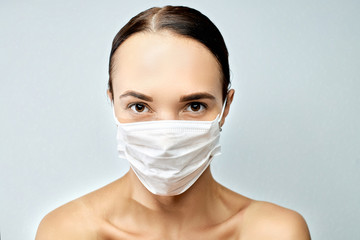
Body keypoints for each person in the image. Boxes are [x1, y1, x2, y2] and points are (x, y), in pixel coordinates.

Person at [36, 5, 311, 239]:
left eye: (194, 106)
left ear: (225, 108)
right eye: (139, 106)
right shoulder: (67, 231)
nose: (166, 139)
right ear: (112, 103)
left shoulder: (276, 232)